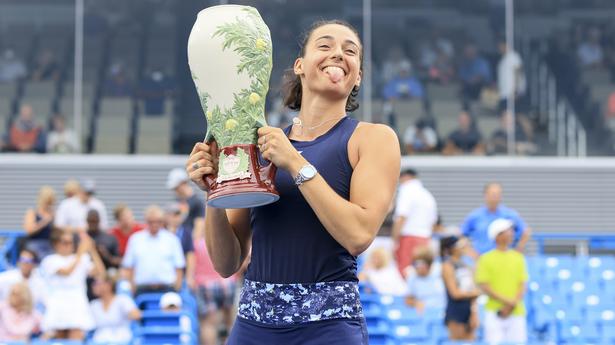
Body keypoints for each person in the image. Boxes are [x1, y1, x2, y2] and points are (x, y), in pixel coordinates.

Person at [186, 19, 400, 344]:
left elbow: (358, 235)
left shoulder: (373, 139)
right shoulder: (262, 146)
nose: (338, 54)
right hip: (253, 326)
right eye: (325, 46)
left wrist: (296, 163)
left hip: (329, 327)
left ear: (358, 76)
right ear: (300, 66)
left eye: (350, 51)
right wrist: (214, 191)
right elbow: (226, 263)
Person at [40, 230, 105, 340]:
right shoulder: (50, 260)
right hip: (58, 302)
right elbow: (66, 272)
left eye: (71, 242)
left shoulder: (81, 258)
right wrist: (81, 252)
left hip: (77, 301)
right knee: (59, 337)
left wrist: (91, 250)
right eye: (65, 242)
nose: (70, 245)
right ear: (56, 244)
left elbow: (100, 272)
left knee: (76, 336)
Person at [475, 219, 528, 343]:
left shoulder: (518, 257)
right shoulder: (485, 259)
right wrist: (509, 302)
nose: (511, 233)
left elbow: (522, 284)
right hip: (494, 312)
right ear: (497, 235)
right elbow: (485, 286)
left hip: (516, 312)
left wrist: (511, 304)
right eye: (507, 231)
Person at [121, 205, 185, 296]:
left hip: (167, 289)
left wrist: (177, 288)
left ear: (162, 222)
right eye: (151, 222)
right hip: (141, 289)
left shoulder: (172, 239)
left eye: (158, 221)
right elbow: (129, 266)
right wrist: (132, 287)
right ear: (146, 221)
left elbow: (179, 266)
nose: (155, 224)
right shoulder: (135, 239)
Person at [461, 182, 532, 257]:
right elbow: (461, 235)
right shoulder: (475, 216)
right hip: (482, 260)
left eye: (498, 194)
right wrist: (472, 255)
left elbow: (526, 232)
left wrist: (517, 252)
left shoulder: (509, 215)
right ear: (485, 195)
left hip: (504, 260)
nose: (495, 197)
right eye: (492, 194)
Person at [193, 234, 237, 345]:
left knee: (209, 325)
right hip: (228, 283)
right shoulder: (227, 240)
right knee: (229, 323)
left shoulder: (198, 243)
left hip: (206, 285)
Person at [392, 169, 437, 275]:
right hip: (425, 238)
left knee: (405, 270)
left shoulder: (406, 190)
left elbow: (401, 217)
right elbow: (433, 222)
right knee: (421, 272)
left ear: (404, 178)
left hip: (409, 237)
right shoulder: (427, 195)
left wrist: (394, 240)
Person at [440, 236, 481, 340]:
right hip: (455, 311)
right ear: (451, 248)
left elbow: (474, 287)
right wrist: (474, 293)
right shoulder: (447, 265)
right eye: (458, 245)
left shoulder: (466, 265)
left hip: (468, 310)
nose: (462, 248)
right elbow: (455, 293)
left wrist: (474, 313)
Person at [90, 273, 141, 343]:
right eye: (94, 284)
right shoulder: (94, 304)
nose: (94, 286)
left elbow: (136, 315)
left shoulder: (123, 299)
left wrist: (127, 313)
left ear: (108, 285)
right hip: (99, 339)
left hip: (122, 339)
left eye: (97, 284)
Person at [166, 168, 205, 251]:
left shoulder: (197, 202)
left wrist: (192, 247)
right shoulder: (177, 201)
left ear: (183, 183)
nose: (175, 191)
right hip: (177, 246)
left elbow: (199, 225)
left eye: (176, 188)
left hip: (190, 247)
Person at [404, 246, 446, 313]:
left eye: (420, 264)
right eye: (415, 263)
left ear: (428, 264)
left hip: (442, 311)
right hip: (424, 314)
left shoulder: (440, 271)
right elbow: (408, 300)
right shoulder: (412, 278)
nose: (417, 267)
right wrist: (416, 303)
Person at [165, 202, 196, 290]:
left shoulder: (186, 233)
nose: (176, 218)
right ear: (166, 216)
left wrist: (190, 277)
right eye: (173, 215)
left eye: (178, 215)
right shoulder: (162, 232)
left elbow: (190, 255)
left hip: (182, 275)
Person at [22, 185, 56, 259]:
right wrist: (45, 221)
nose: (49, 205)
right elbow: (29, 230)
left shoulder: (53, 214)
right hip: (35, 244)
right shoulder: (32, 213)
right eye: (47, 202)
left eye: (50, 202)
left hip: (49, 244)